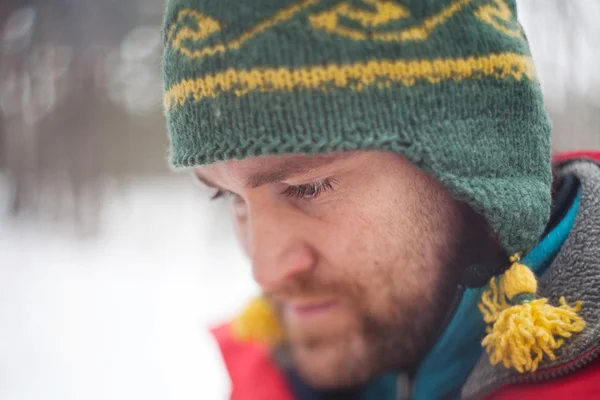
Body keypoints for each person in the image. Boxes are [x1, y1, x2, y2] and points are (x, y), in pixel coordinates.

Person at [161, 0, 600, 398]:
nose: (266, 272)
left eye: (307, 188)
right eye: (228, 197)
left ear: (475, 162)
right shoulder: (269, 377)